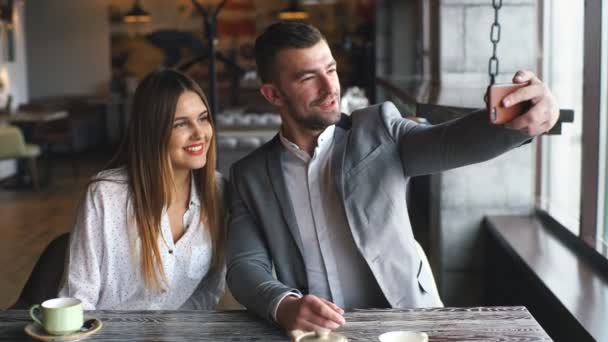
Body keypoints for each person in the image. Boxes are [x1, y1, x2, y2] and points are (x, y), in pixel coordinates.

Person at [225, 21, 559, 332]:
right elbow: (245, 266)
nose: (330, 87)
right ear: (273, 95)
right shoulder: (249, 176)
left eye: (331, 69)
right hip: (321, 335)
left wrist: (518, 124)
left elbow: (451, 142)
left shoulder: (378, 130)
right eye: (307, 78)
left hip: (407, 324)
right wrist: (285, 306)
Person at [59, 69, 226, 310]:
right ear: (153, 131)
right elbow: (78, 298)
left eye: (203, 118)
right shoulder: (106, 195)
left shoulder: (219, 192)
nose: (199, 133)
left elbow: (209, 291)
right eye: (181, 124)